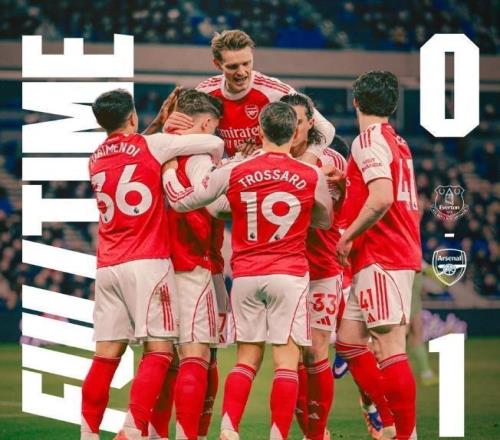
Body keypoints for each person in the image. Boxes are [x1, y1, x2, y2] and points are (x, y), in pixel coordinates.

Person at [163, 102, 333, 440]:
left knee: (245, 360)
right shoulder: (311, 174)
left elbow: (187, 202)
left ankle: (229, 427)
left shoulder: (234, 170)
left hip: (246, 276)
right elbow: (325, 219)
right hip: (288, 274)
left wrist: (169, 170)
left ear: (259, 131)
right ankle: (278, 435)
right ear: (294, 132)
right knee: (286, 362)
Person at [81, 89, 224, 440]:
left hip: (107, 264)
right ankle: (133, 429)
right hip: (147, 260)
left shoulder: (94, 158)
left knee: (105, 356)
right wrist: (172, 151)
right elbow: (215, 144)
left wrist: (157, 125)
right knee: (161, 351)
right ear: (133, 116)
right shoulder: (155, 146)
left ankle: (88, 433)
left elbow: (129, 151)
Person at [335, 71, 422, 440]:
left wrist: (347, 236)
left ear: (355, 101)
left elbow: (383, 197)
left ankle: (405, 434)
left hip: (382, 254)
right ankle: (387, 421)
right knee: (349, 341)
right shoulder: (396, 141)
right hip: (389, 253)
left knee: (389, 347)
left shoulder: (367, 140)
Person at [161, 89, 229, 440]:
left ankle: (155, 433)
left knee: (164, 357)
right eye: (215, 125)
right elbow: (216, 207)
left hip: (159, 262)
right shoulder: (201, 155)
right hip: (195, 262)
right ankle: (191, 435)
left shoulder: (155, 150)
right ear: (205, 124)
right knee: (197, 354)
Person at [280, 93, 346, 440]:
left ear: (310, 123)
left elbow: (331, 215)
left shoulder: (330, 160)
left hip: (321, 268)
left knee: (316, 351)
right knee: (289, 358)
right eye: (287, 120)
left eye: (299, 120)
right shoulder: (268, 157)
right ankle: (311, 431)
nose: (293, 127)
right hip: (283, 271)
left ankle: (317, 433)